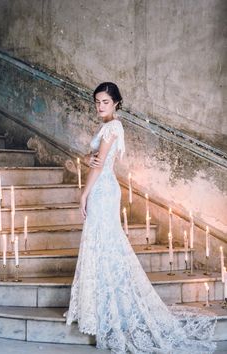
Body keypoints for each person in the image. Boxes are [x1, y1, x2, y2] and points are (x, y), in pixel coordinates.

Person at [65, 82, 216, 353]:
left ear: (117, 103)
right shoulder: (110, 127)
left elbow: (99, 165)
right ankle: (103, 305)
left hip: (102, 191)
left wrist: (84, 193)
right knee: (103, 245)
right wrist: (91, 159)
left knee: (106, 244)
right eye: (97, 102)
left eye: (105, 102)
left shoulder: (112, 127)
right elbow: (97, 158)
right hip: (105, 188)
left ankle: (111, 307)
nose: (100, 106)